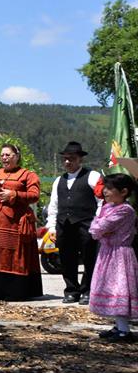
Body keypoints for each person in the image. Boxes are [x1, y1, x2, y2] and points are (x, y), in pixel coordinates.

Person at [0, 144, 43, 301]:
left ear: (17, 156)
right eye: (2, 155)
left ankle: (13, 291)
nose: (4, 158)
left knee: (13, 256)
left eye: (8, 155)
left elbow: (34, 195)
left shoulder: (27, 175)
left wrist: (14, 194)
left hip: (14, 223)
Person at [45, 142, 102, 304]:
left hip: (87, 225)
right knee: (66, 259)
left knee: (89, 258)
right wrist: (51, 227)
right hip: (64, 225)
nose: (67, 162)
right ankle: (71, 290)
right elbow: (53, 205)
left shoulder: (92, 176)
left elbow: (101, 202)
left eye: (71, 158)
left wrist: (97, 222)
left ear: (80, 160)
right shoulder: (59, 180)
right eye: (65, 159)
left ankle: (87, 290)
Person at [88, 172, 138, 342]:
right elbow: (95, 229)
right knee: (109, 288)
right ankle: (118, 326)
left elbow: (99, 226)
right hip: (107, 252)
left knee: (119, 289)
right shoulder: (108, 207)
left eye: (110, 188)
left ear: (123, 192)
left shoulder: (125, 210)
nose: (105, 191)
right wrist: (100, 229)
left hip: (119, 255)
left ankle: (124, 330)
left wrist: (101, 229)